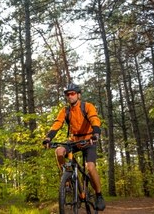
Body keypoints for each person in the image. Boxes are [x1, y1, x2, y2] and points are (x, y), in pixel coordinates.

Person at [42, 83, 106, 211]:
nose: (70, 96)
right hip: (74, 141)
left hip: (89, 141)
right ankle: (67, 180)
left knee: (90, 167)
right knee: (59, 151)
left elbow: (94, 119)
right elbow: (57, 124)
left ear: (78, 95)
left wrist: (96, 133)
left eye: (72, 93)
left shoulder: (87, 106)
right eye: (67, 94)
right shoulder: (65, 111)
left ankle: (99, 195)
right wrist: (48, 138)